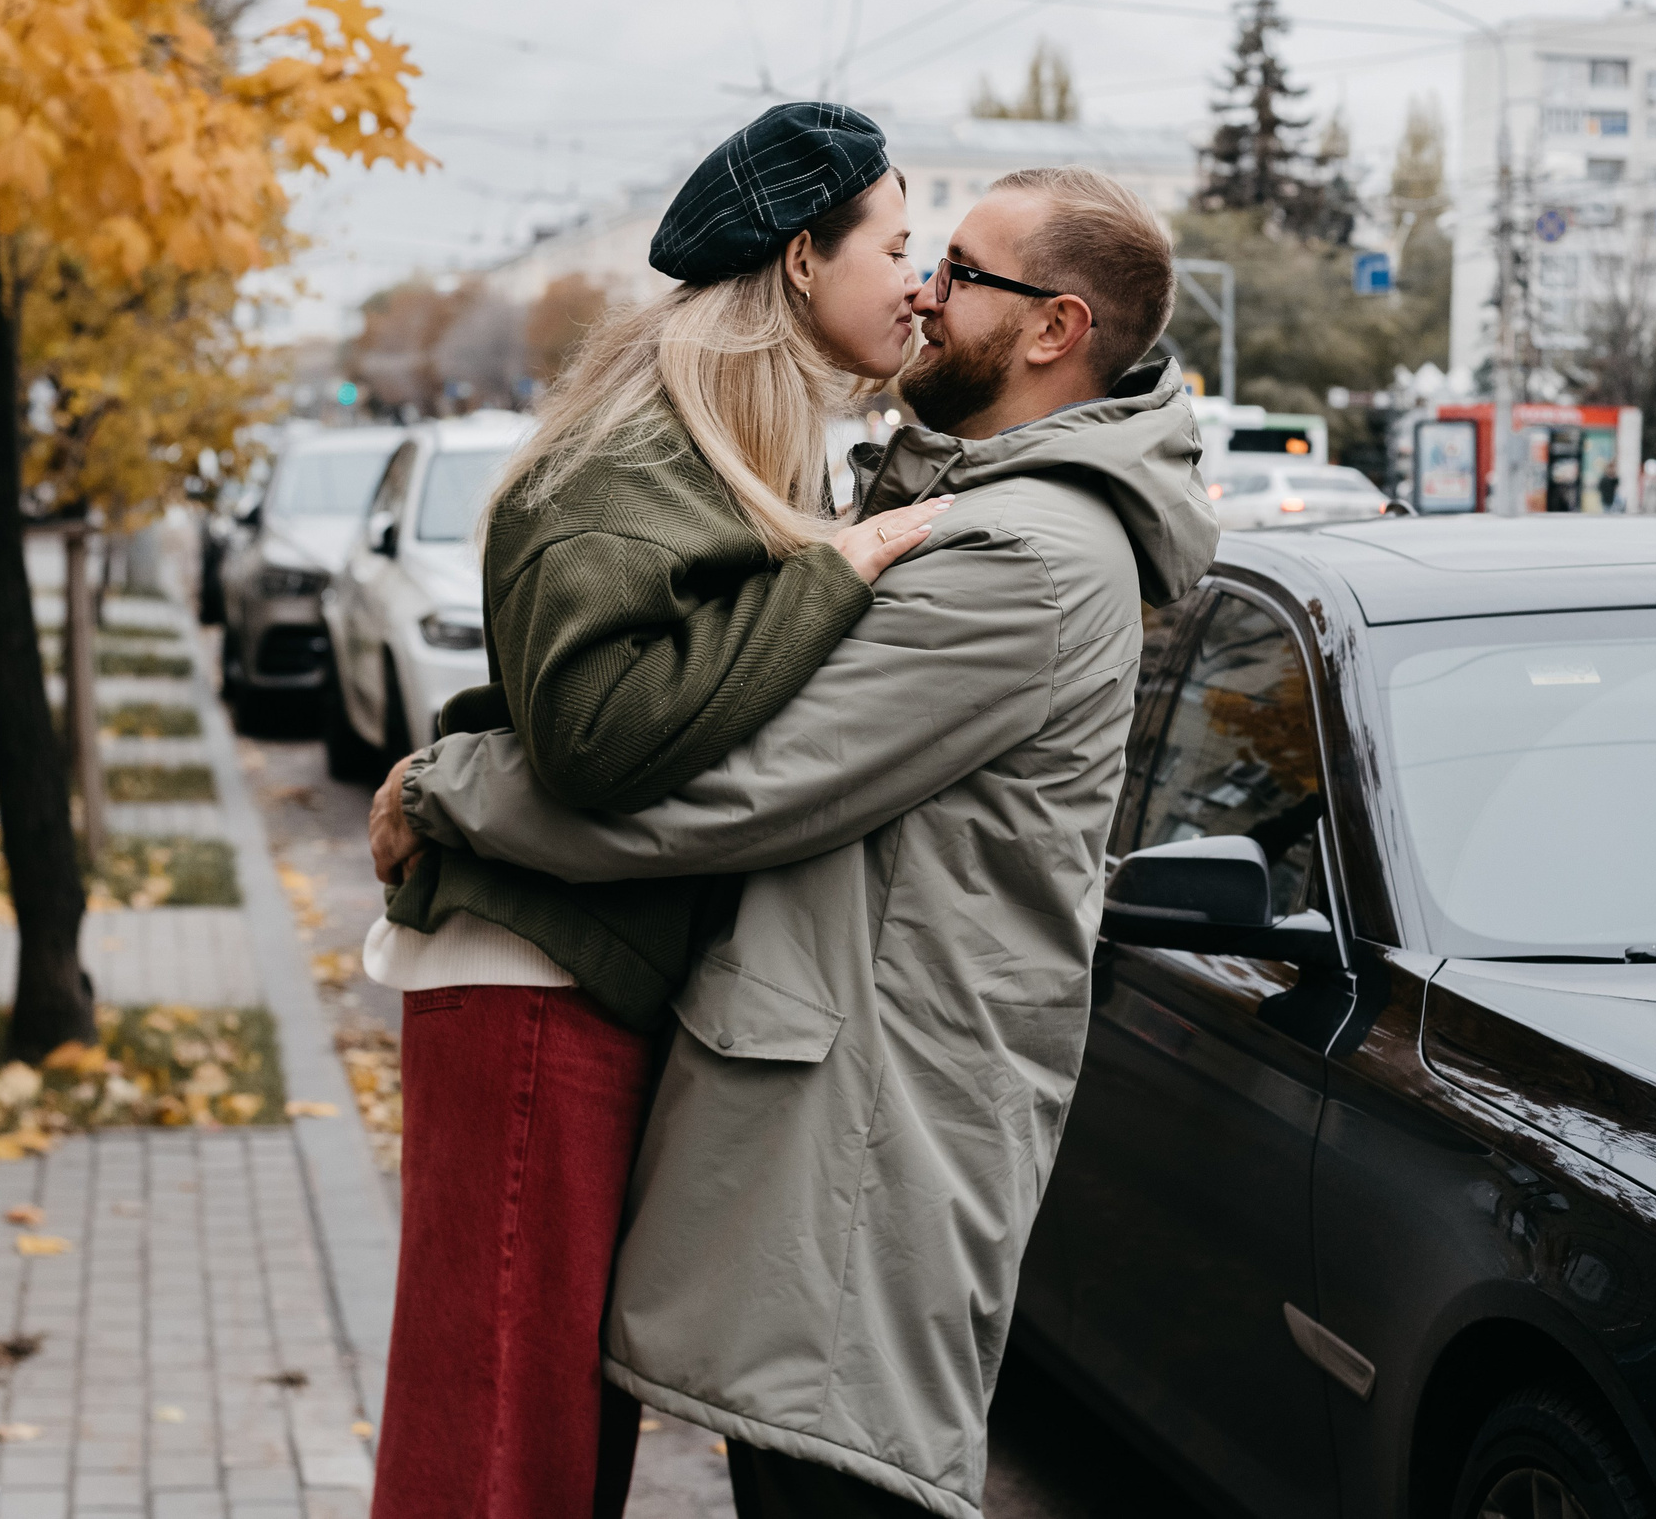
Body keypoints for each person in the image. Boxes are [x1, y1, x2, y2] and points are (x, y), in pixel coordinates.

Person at [371, 164, 1215, 1519]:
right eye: (916, 256)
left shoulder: (1027, 554)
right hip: (832, 1134)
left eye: (959, 271)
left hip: (870, 1152)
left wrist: (447, 790)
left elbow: (732, 788)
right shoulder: (957, 504)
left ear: (1055, 329)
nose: (927, 294)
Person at [360, 103, 950, 1519]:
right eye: (901, 248)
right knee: (500, 1456)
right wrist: (839, 571)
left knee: (552, 1444)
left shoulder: (734, 436)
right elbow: (595, 733)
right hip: (528, 993)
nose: (920, 283)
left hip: (585, 977)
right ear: (805, 260)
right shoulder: (641, 456)